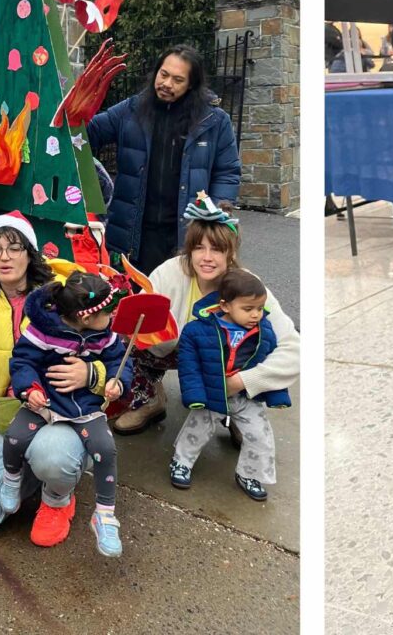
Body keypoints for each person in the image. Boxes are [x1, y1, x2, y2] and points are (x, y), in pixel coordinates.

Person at [0, 211, 114, 548]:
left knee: (53, 456)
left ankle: (58, 496)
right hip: (15, 415)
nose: (4, 257)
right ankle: (33, 469)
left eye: (14, 247)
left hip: (67, 415)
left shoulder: (60, 298)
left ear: (30, 252)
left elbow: (111, 347)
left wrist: (91, 375)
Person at [111, 192, 300, 436]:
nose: (207, 258)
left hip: (228, 364)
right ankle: (148, 399)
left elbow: (293, 348)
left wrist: (242, 382)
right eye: (199, 248)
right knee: (128, 340)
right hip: (174, 351)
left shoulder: (248, 287)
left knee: (260, 341)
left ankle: (238, 409)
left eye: (217, 249)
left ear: (231, 253)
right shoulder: (169, 274)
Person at [2, 272, 131, 557]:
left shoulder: (106, 335)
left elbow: (120, 361)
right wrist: (29, 388)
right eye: (108, 311)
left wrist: (115, 381)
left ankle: (105, 515)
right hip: (45, 401)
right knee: (14, 437)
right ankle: (11, 479)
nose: (113, 315)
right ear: (85, 317)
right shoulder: (42, 331)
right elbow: (23, 360)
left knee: (105, 448)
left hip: (85, 407)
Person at [87, 45, 241, 274]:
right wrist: (74, 111)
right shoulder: (131, 110)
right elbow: (88, 134)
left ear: (191, 84)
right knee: (133, 301)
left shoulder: (213, 121)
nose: (167, 84)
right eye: (164, 74)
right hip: (133, 231)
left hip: (184, 232)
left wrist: (215, 214)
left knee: (177, 302)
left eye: (178, 79)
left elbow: (227, 172)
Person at [170, 268, 289, 501]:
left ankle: (249, 474)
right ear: (225, 306)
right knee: (197, 428)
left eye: (259, 308)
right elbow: (189, 364)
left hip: (246, 395)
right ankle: (181, 462)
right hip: (211, 392)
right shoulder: (198, 331)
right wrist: (195, 394)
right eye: (248, 309)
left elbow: (270, 361)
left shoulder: (264, 332)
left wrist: (277, 395)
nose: (256, 314)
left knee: (260, 435)